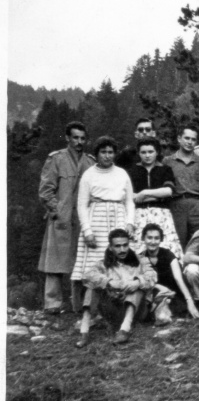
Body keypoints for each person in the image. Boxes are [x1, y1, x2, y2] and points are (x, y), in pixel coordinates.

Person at [70, 136, 136, 324]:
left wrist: (130, 222)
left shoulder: (122, 173)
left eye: (110, 152)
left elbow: (129, 201)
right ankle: (91, 313)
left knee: (118, 262)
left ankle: (117, 307)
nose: (107, 156)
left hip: (118, 218)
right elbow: (82, 205)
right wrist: (87, 230)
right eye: (103, 152)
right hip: (96, 220)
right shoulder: (89, 175)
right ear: (97, 154)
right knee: (95, 265)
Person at [38, 121, 95, 314]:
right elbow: (45, 191)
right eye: (75, 138)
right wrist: (57, 211)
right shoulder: (56, 159)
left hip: (82, 220)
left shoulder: (90, 162)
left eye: (82, 138)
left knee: (81, 261)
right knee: (55, 261)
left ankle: (78, 305)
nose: (79, 142)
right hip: (60, 219)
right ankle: (52, 304)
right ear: (68, 138)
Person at [77, 229, 156, 348]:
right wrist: (108, 282)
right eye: (117, 246)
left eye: (125, 245)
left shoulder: (141, 260)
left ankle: (125, 330)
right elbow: (87, 275)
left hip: (137, 310)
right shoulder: (102, 264)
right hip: (113, 309)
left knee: (136, 286)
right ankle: (84, 331)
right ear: (110, 247)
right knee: (92, 286)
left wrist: (138, 282)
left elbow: (153, 276)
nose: (122, 250)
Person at [128, 138, 183, 258]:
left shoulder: (165, 169)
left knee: (165, 247)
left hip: (161, 214)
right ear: (138, 153)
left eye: (150, 152)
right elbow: (129, 196)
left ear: (157, 152)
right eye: (143, 152)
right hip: (138, 215)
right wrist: (157, 196)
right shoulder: (132, 171)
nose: (147, 155)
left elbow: (168, 191)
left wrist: (144, 193)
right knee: (139, 248)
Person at [138, 223, 199, 321]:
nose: (153, 242)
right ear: (143, 238)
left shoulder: (168, 255)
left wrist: (189, 301)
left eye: (156, 238)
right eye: (149, 238)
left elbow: (178, 278)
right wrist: (157, 287)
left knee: (179, 308)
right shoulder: (140, 257)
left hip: (173, 293)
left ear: (161, 240)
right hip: (154, 293)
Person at [163, 127, 199, 247]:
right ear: (179, 138)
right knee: (177, 241)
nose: (189, 142)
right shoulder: (168, 161)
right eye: (186, 138)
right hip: (177, 204)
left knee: (198, 241)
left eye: (193, 139)